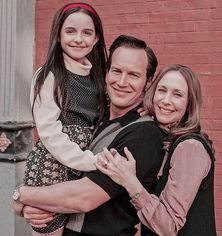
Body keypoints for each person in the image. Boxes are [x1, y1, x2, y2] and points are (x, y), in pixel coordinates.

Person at [12, 35, 166, 236]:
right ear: (106, 72)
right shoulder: (97, 118)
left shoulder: (143, 135)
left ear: (148, 81)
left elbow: (83, 197)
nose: (121, 82)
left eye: (133, 75)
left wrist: (21, 195)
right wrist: (27, 206)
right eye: (116, 71)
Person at [16, 2, 107, 236]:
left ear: (97, 38)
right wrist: (90, 161)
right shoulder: (49, 75)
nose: (79, 39)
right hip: (51, 167)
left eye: (87, 33)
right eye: (70, 31)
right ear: (58, 34)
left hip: (82, 171)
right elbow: (49, 133)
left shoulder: (99, 77)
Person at [97, 64, 217, 236]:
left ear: (190, 104)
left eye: (177, 94)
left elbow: (168, 226)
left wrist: (130, 181)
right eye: (161, 90)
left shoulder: (189, 147)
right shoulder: (167, 139)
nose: (166, 100)